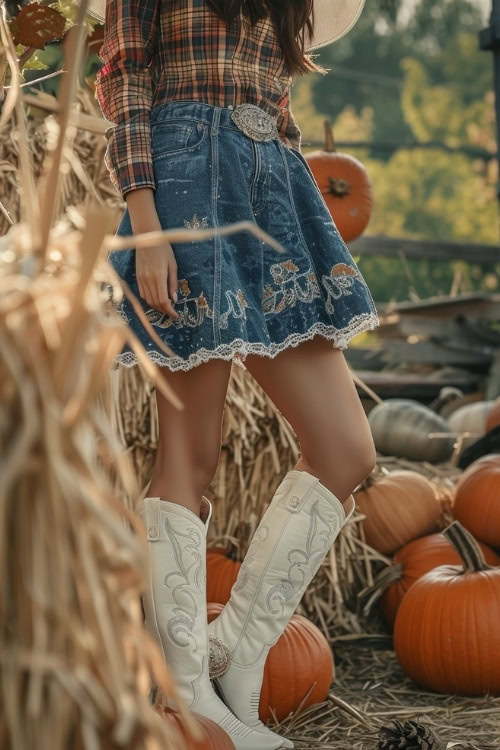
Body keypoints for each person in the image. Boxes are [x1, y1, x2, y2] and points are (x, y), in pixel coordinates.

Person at [92, 1, 379, 747]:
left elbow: (275, 104)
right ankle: (189, 695)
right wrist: (147, 228)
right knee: (192, 454)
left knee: (348, 451)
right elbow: (124, 81)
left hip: (275, 188)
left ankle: (235, 650)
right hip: (187, 188)